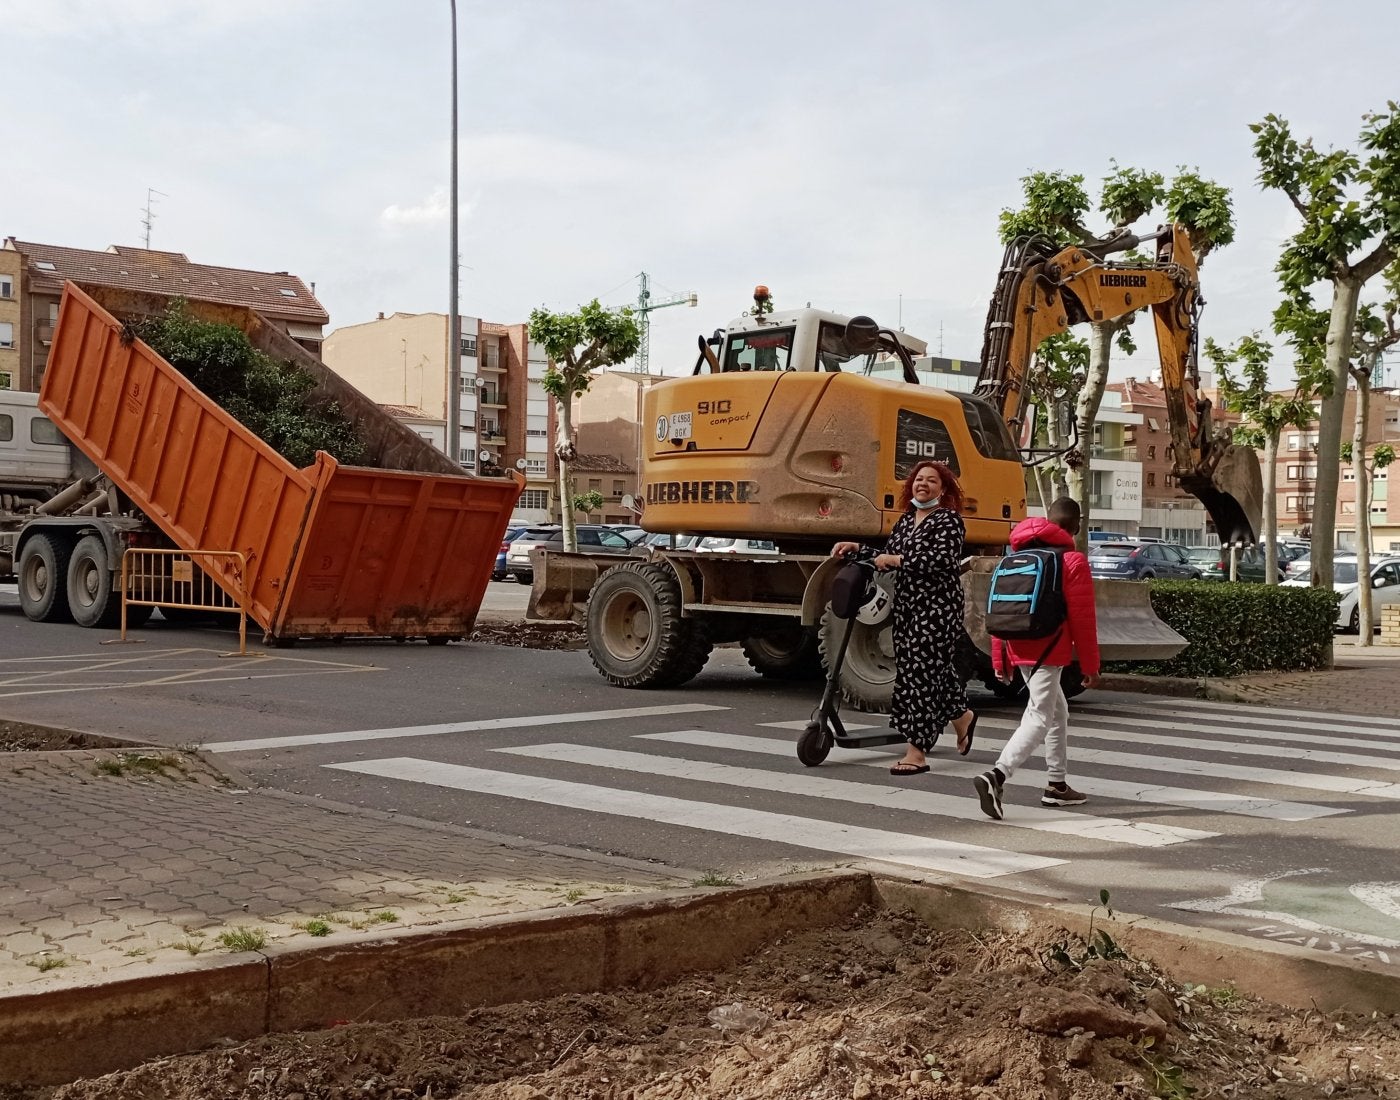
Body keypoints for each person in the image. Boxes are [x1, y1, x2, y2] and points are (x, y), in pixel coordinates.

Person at [831, 460, 977, 776]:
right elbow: (886, 556)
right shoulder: (906, 520)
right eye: (919, 479)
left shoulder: (948, 520)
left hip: (937, 609)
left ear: (943, 489)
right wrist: (858, 548)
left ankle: (917, 751)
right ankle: (961, 716)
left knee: (919, 676)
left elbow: (941, 560)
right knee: (928, 669)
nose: (923, 484)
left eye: (932, 480)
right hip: (907, 606)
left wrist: (897, 559)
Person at [974, 497, 1101, 820]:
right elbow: (1083, 619)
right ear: (1076, 526)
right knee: (1039, 716)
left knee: (1058, 713)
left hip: (1018, 646)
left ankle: (1057, 786)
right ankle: (997, 775)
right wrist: (1090, 665)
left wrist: (1000, 660)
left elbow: (999, 609)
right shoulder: (1071, 560)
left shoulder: (1014, 558)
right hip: (1049, 648)